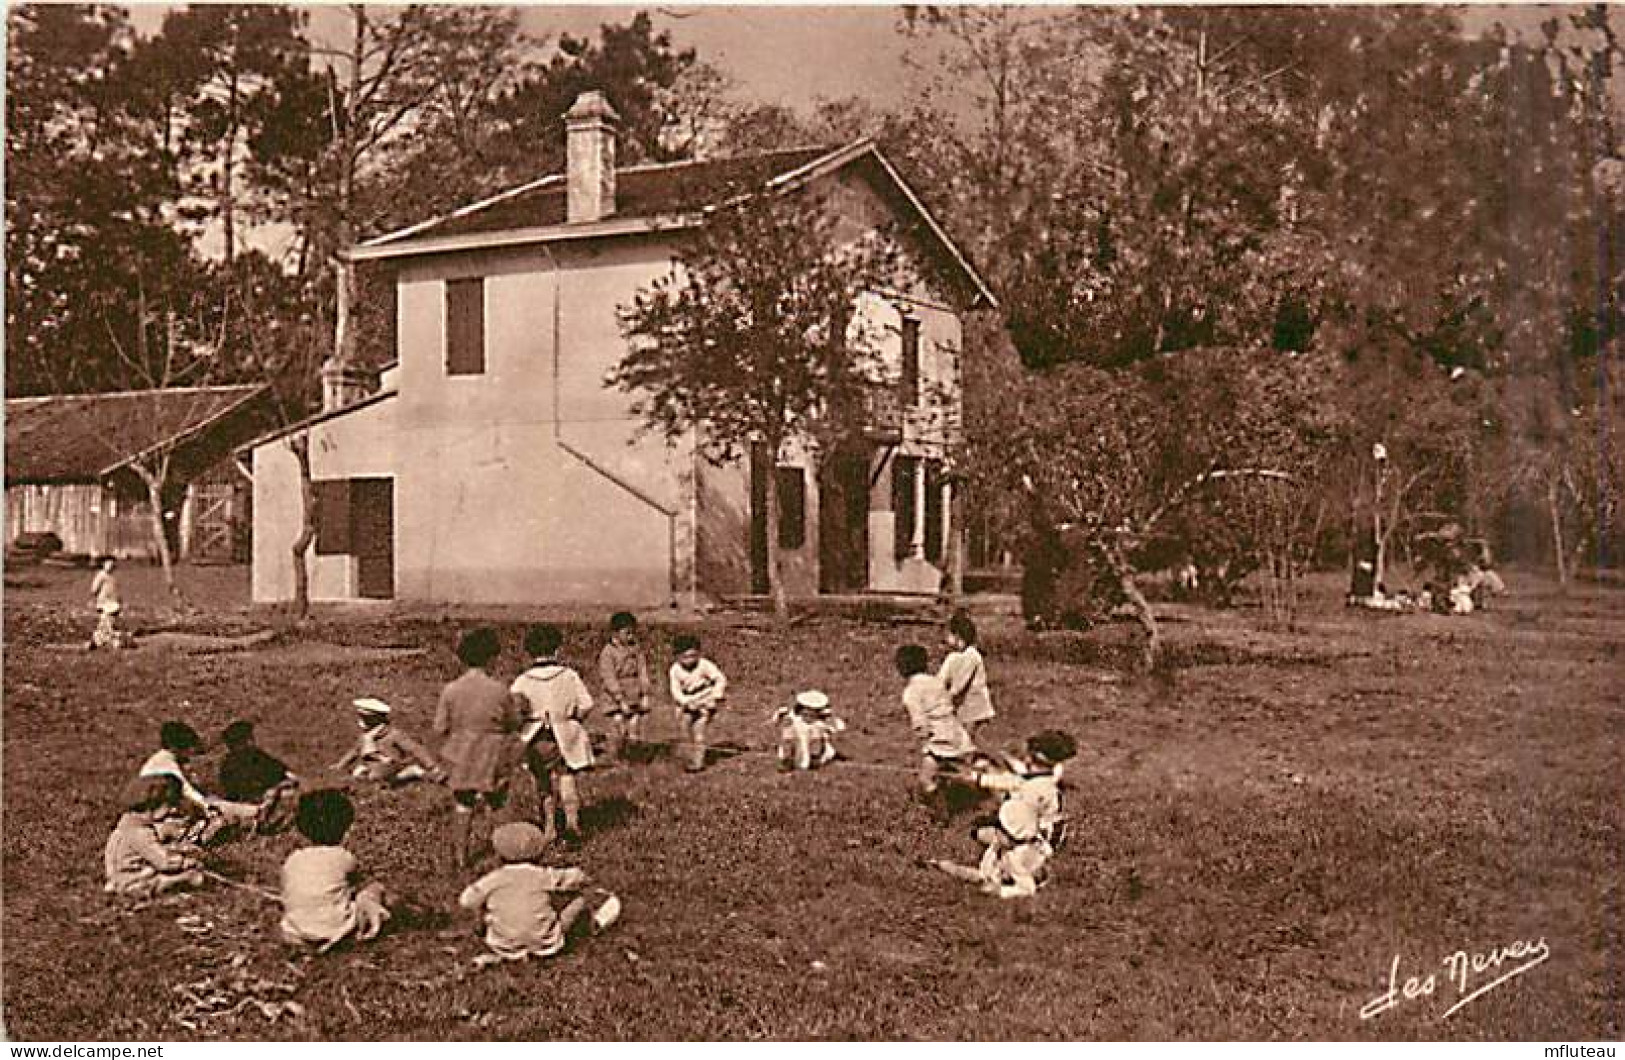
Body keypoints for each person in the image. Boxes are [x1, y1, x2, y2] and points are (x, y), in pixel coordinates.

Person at [458, 822, 622, 967]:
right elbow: (575, 877)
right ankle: (590, 925)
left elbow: (466, 901)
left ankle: (504, 937)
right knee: (580, 898)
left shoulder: (495, 878)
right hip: (546, 945)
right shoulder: (542, 875)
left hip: (503, 946)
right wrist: (585, 879)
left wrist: (484, 913)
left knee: (485, 905)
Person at [435, 628, 521, 869]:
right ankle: (503, 853)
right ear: (492, 658)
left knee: (463, 803)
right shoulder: (499, 689)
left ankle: (461, 856)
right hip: (493, 751)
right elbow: (513, 723)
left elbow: (440, 727)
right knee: (497, 803)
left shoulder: (451, 689)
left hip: (462, 750)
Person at [510, 625, 595, 846]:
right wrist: (573, 720)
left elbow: (514, 709)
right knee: (567, 777)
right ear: (557, 650)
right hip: (565, 733)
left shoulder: (523, 680)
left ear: (529, 652)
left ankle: (549, 827)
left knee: (543, 782)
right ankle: (572, 823)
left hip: (536, 736)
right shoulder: (569, 676)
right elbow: (587, 704)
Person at [279, 789, 390, 953]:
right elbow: (359, 884)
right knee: (374, 890)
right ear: (345, 828)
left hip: (294, 931)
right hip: (336, 928)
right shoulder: (343, 857)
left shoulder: (293, 859)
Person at [139, 721, 260, 843]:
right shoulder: (166, 765)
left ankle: (252, 813)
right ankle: (255, 813)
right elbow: (187, 792)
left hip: (164, 809)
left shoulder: (166, 759)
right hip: (158, 816)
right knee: (214, 807)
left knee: (214, 803)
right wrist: (208, 806)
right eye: (188, 748)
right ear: (177, 748)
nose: (191, 753)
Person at [926, 799, 1054, 899]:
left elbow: (1028, 889)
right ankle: (943, 864)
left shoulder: (1015, 859)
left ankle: (943, 866)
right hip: (1001, 861)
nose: (996, 829)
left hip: (996, 873)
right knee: (981, 836)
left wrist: (1000, 891)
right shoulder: (1018, 840)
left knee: (976, 876)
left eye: (999, 828)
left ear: (1012, 838)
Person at [970, 729, 1076, 847]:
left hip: (1028, 836)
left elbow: (1015, 777)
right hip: (1042, 822)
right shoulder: (1050, 772)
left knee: (979, 833)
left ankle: (1011, 839)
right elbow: (1018, 769)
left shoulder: (1029, 782)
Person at [103, 776, 204, 899]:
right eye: (169, 806)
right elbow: (163, 861)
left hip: (118, 874)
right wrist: (184, 862)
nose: (172, 810)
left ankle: (118, 883)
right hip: (134, 878)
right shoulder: (140, 833)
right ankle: (172, 882)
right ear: (153, 806)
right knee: (191, 876)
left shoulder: (126, 826)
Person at [896, 643, 977, 798]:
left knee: (927, 780)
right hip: (956, 733)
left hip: (939, 740)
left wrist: (923, 737)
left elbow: (920, 722)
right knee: (963, 773)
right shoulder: (936, 682)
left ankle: (940, 810)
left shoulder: (911, 692)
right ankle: (978, 795)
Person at [333, 698, 444, 785]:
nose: (361, 722)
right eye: (361, 718)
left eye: (366, 719)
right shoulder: (366, 737)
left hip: (390, 764)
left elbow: (414, 748)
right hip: (373, 766)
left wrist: (431, 765)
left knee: (375, 777)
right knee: (360, 774)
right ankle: (408, 773)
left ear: (376, 719)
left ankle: (415, 772)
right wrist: (340, 765)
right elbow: (354, 751)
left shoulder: (393, 734)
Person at [218, 720, 299, 834]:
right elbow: (235, 793)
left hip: (268, 798)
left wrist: (279, 786)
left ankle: (271, 823)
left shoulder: (259, 757)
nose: (250, 743)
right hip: (246, 804)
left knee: (290, 796)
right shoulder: (230, 766)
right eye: (242, 742)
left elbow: (287, 774)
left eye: (250, 739)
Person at [668, 634, 727, 773]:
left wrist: (716, 695)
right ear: (677, 656)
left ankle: (698, 762)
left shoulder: (704, 665)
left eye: (693, 656)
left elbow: (720, 679)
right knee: (684, 728)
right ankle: (688, 758)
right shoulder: (675, 670)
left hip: (705, 700)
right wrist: (686, 702)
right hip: (687, 702)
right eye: (685, 657)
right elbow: (675, 691)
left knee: (699, 730)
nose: (690, 660)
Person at [598, 612, 652, 759]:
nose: (631, 636)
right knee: (618, 725)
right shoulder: (608, 653)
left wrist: (645, 694)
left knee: (634, 726)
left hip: (634, 692)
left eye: (633, 633)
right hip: (615, 697)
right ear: (615, 633)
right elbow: (609, 677)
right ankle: (616, 756)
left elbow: (642, 670)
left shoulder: (636, 649)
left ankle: (634, 756)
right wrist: (620, 699)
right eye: (627, 633)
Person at [938, 610, 995, 736]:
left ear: (958, 636)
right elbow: (940, 679)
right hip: (961, 709)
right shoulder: (952, 657)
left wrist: (945, 699)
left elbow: (959, 685)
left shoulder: (971, 656)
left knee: (969, 742)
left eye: (949, 635)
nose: (946, 639)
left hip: (976, 709)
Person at [774, 690, 847, 772]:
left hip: (814, 750)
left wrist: (829, 721)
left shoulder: (820, 723)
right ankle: (788, 760)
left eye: (812, 712)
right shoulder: (794, 720)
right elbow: (780, 723)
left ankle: (813, 759)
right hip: (796, 747)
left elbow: (839, 727)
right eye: (806, 711)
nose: (808, 715)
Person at [88, 556, 126, 650]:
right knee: (105, 622)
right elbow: (94, 589)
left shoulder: (113, 577)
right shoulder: (101, 575)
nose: (110, 566)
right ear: (104, 565)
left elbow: (116, 590)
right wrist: (98, 598)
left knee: (112, 622)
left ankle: (109, 640)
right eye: (108, 564)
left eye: (112, 564)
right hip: (104, 602)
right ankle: (97, 640)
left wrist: (119, 600)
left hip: (113, 603)